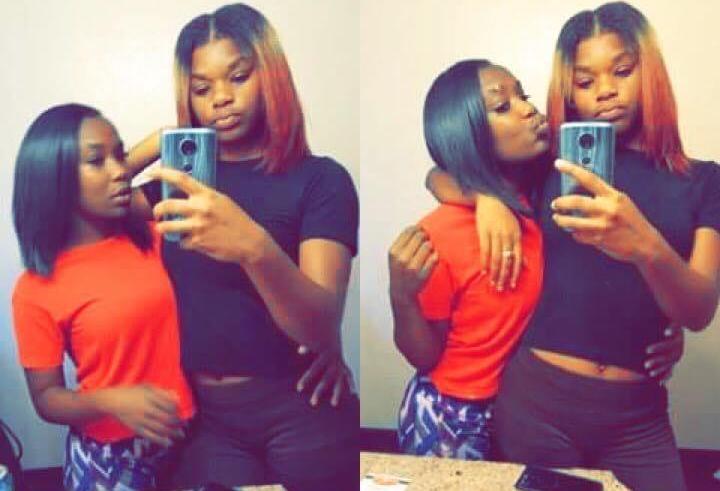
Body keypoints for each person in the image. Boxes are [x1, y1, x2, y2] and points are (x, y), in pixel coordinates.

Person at [427, 3, 720, 490]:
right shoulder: (549, 164)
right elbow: (442, 172)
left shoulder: (704, 181)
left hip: (638, 418)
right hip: (537, 404)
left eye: (622, 71)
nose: (605, 90)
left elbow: (699, 309)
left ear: (650, 71)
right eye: (585, 81)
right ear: (570, 91)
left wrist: (644, 245)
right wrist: (487, 198)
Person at [125, 4, 359, 489]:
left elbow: (319, 327)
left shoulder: (321, 181)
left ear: (269, 73)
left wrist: (253, 246)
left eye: (238, 76)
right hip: (209, 419)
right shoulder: (179, 187)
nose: (222, 99)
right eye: (202, 88)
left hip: (301, 407)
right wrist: (156, 144)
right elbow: (79, 202)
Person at [11, 103, 195, 491]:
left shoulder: (155, 237)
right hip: (109, 456)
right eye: (97, 161)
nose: (120, 171)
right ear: (54, 179)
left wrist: (169, 137)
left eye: (121, 156)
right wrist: (112, 401)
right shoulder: (36, 288)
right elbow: (46, 398)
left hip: (188, 436)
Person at [389, 59, 551, 461]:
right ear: (467, 135)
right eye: (502, 106)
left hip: (519, 407)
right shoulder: (439, 234)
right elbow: (425, 356)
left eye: (523, 96)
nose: (528, 109)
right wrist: (402, 297)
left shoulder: (539, 201)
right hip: (450, 416)